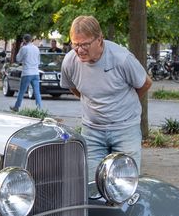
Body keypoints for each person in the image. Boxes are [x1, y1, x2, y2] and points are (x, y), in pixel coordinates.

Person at [60, 16, 152, 177]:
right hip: (92, 130)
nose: (79, 50)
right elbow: (74, 88)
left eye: (85, 44)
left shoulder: (121, 59)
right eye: (75, 44)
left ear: (99, 39)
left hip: (125, 129)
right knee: (91, 184)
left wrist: (122, 104)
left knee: (125, 183)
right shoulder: (70, 62)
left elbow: (145, 84)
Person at [10, 34, 42, 111]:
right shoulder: (36, 48)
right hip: (35, 72)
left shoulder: (24, 48)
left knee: (22, 91)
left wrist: (21, 47)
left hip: (27, 72)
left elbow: (18, 59)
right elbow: (38, 61)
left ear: (24, 40)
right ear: (31, 40)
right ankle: (39, 108)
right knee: (37, 92)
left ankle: (17, 107)